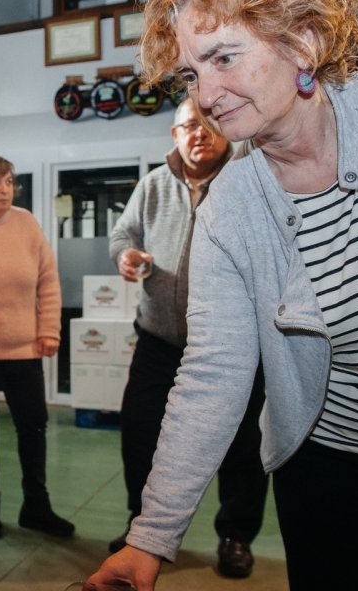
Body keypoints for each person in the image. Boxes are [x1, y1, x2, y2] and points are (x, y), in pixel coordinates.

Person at [89, 0, 358, 589]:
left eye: (224, 57)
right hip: (323, 470)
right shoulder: (230, 208)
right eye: (190, 74)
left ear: (305, 41)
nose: (205, 97)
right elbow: (214, 371)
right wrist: (149, 540)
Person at [107, 97, 268, 579]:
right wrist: (126, 255)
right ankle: (141, 529)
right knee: (139, 433)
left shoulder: (250, 181)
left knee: (244, 446)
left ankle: (235, 535)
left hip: (236, 343)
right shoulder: (153, 186)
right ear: (174, 136)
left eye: (207, 123)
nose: (199, 133)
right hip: (158, 340)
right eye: (188, 126)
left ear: (224, 127)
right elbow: (121, 235)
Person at [0, 155, 74, 540]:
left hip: (24, 350)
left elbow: (49, 281)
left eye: (9, 181)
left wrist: (50, 331)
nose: (5, 189)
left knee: (33, 428)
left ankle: (36, 506)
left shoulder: (26, 223)